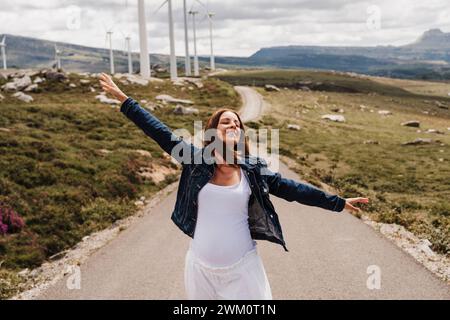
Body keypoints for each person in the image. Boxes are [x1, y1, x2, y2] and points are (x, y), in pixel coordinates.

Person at [98, 73, 369, 300]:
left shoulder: (253, 168)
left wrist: (337, 202)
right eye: (226, 121)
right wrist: (125, 100)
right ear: (212, 131)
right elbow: (160, 132)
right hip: (200, 269)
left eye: (237, 123)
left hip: (243, 271)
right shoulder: (195, 161)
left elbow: (293, 189)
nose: (233, 124)